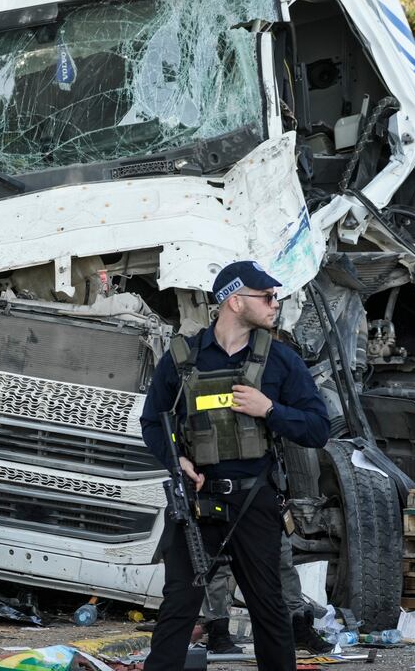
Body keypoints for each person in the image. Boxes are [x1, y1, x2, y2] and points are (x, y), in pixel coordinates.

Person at [140, 261, 330, 671]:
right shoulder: (182, 359)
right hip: (196, 503)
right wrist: (180, 462)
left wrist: (271, 410)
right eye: (267, 296)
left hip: (253, 502)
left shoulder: (280, 361)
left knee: (269, 610)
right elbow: (152, 422)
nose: (274, 303)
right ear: (235, 299)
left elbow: (318, 429)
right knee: (178, 607)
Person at [202, 532, 330, 654]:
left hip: (265, 511)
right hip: (226, 512)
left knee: (282, 558)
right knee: (217, 563)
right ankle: (218, 633)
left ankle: (298, 627)